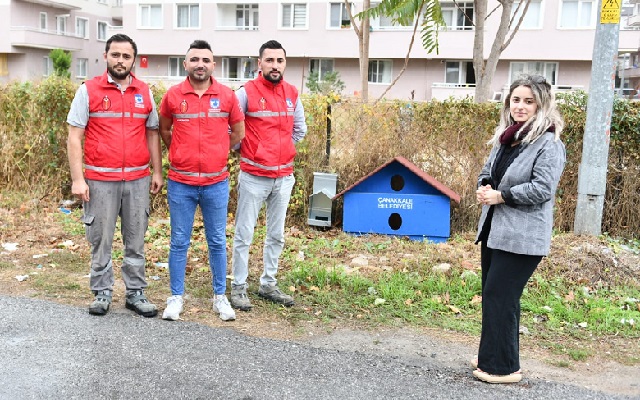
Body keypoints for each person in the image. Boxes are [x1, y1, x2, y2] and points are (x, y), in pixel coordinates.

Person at [472, 75, 566, 383]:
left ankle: (502, 368)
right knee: (494, 295)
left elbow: (542, 189)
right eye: (516, 100)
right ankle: (492, 355)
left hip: (523, 237)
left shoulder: (549, 143)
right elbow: (488, 171)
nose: (521, 106)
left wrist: (500, 196)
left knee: (501, 296)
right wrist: (484, 187)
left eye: (529, 101)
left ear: (541, 105)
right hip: (495, 231)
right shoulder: (507, 137)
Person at [67, 34, 163, 317]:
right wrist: (77, 179)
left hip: (137, 179)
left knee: (136, 238)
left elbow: (153, 133)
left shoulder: (144, 91)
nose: (120, 60)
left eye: (126, 56)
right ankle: (102, 292)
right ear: (106, 56)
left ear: (134, 59)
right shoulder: (88, 90)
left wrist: (157, 171)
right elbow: (75, 136)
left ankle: (135, 292)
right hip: (99, 181)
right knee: (101, 239)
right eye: (115, 55)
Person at [158, 40, 245, 321]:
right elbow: (164, 129)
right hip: (180, 183)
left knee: (218, 241)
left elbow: (238, 133)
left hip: (216, 182)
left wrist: (218, 151)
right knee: (179, 241)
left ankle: (220, 297)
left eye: (205, 60)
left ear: (213, 65)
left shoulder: (227, 96)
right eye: (194, 59)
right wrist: (180, 153)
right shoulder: (173, 96)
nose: (200, 64)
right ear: (185, 64)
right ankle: (175, 298)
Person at [230, 40, 307, 311]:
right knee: (244, 234)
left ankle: (268, 285)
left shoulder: (292, 93)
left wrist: (282, 151)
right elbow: (231, 128)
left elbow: (299, 130)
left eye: (280, 61)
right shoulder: (245, 93)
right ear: (259, 63)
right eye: (270, 60)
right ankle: (238, 288)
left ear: (285, 63)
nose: (275, 65)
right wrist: (251, 149)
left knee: (276, 235)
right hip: (253, 176)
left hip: (283, 177)